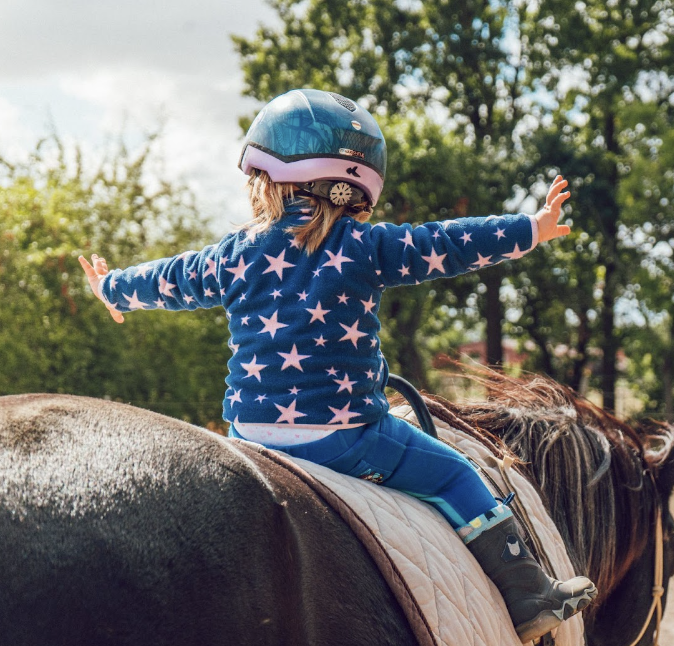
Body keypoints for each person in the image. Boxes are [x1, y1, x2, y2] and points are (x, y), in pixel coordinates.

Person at [79, 88, 596, 641]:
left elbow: (174, 279)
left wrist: (113, 288)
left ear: (265, 179)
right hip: (345, 438)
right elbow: (447, 242)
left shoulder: (233, 251)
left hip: (248, 437)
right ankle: (527, 594)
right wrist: (531, 229)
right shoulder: (365, 246)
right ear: (357, 189)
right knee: (454, 474)